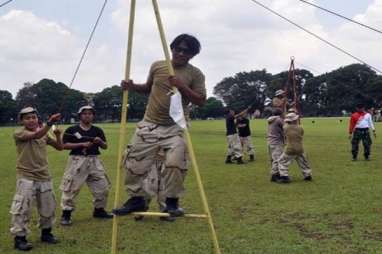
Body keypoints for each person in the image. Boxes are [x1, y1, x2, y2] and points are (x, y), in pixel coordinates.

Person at [112, 34, 206, 220]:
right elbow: (148, 88)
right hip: (150, 124)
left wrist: (182, 86)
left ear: (192, 55)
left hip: (175, 126)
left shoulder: (195, 74)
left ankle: (171, 201)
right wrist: (131, 86)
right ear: (171, 48)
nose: (179, 53)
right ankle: (137, 199)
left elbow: (201, 100)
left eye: (185, 51)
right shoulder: (157, 66)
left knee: (174, 163)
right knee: (132, 161)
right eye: (177, 48)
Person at [10, 107, 62, 251]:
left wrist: (57, 135)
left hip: (44, 175)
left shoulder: (44, 133)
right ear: (21, 121)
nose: (31, 120)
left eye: (33, 117)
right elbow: (37, 135)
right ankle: (19, 238)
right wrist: (50, 123)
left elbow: (60, 147)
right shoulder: (19, 133)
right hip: (26, 175)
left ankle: (46, 233)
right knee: (22, 207)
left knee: (48, 206)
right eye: (27, 118)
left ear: (37, 118)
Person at [60, 105, 112, 226]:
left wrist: (100, 142)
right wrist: (81, 144)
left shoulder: (97, 130)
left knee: (102, 187)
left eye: (90, 113)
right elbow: (63, 145)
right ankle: (66, 214)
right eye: (85, 113)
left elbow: (105, 146)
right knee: (71, 187)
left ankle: (99, 210)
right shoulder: (72, 129)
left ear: (93, 116)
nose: (87, 115)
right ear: (80, 116)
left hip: (94, 160)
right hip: (77, 160)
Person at [277, 113, 312, 183]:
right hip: (300, 148)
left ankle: (284, 176)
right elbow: (302, 134)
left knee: (282, 161)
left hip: (290, 148)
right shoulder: (300, 128)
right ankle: (307, 175)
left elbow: (283, 134)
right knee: (303, 162)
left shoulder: (285, 127)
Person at [267, 108, 285, 182]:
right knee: (277, 159)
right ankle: (274, 175)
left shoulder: (271, 119)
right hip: (276, 141)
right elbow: (285, 127)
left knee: (273, 159)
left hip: (270, 141)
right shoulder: (278, 119)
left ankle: (276, 173)